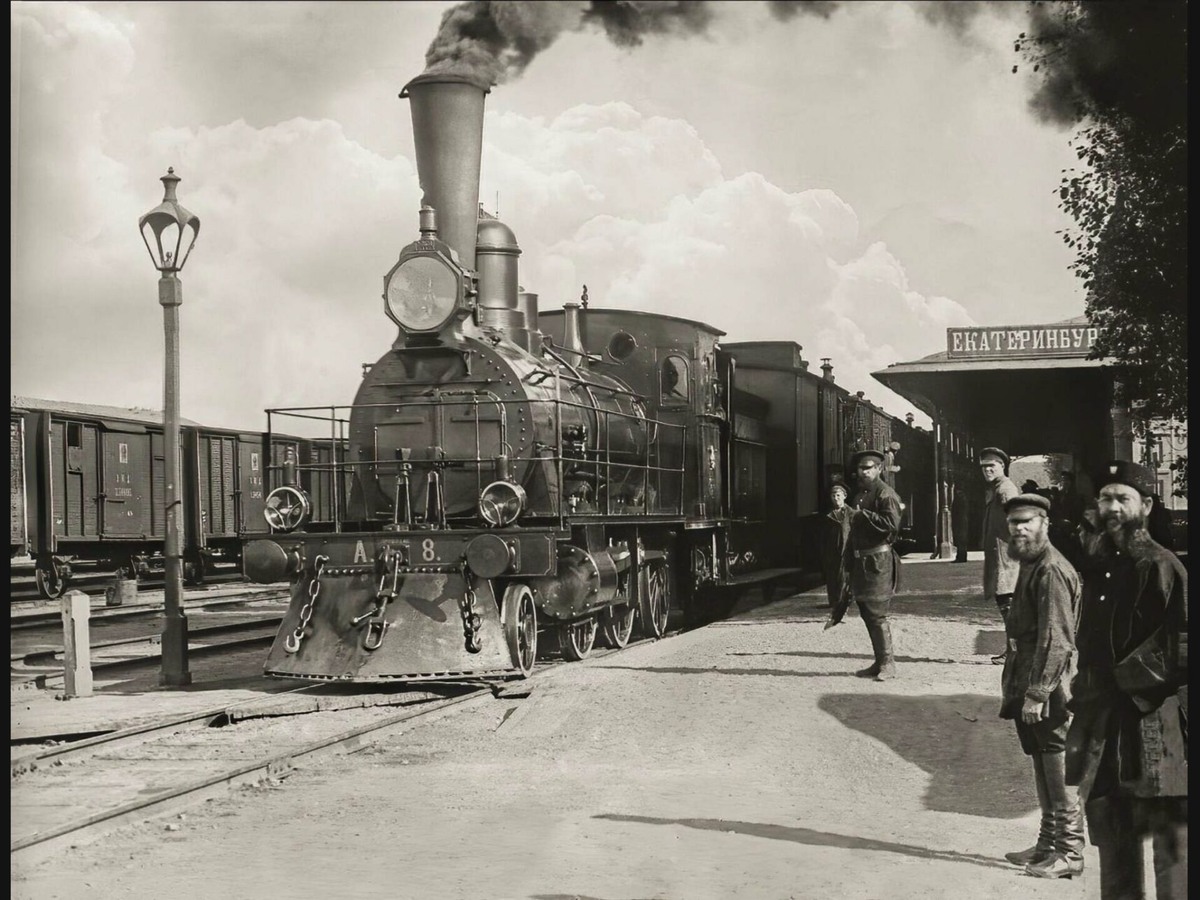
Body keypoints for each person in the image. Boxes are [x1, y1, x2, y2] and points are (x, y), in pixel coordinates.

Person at [1064, 461, 1188, 896]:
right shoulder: (1104, 567)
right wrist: (1085, 689)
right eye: (1105, 498)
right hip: (1106, 722)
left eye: (1123, 498)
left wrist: (1123, 680)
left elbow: (1182, 643)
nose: (1112, 507)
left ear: (1147, 506)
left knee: (1171, 844)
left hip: (1156, 721)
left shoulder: (1161, 566)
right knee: (1113, 832)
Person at [997, 493, 1084, 878]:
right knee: (1042, 760)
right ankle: (1048, 844)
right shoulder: (1032, 563)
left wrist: (1038, 692)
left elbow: (1057, 639)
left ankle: (1070, 853)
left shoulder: (1051, 569)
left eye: (1026, 521)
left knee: (1057, 763)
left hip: (1051, 684)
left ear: (1044, 524)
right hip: (1029, 675)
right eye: (1013, 523)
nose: (1018, 528)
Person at [842, 449, 903, 681]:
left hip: (878, 562)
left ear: (879, 469)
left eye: (868, 468)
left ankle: (888, 664)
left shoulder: (885, 494)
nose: (863, 472)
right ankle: (879, 661)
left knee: (877, 614)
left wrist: (862, 516)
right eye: (860, 468)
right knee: (867, 612)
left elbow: (891, 525)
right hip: (863, 561)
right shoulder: (860, 494)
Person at [980, 447, 1020, 664]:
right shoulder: (996, 488)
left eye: (991, 466)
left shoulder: (1005, 489)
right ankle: (1013, 651)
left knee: (1008, 605)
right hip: (1000, 557)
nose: (987, 470)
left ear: (1002, 466)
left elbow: (1018, 521)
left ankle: (1015, 653)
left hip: (1007, 558)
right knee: (1006, 604)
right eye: (984, 467)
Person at [821, 479, 853, 614]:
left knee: (846, 577)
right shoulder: (828, 516)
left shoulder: (851, 514)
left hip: (847, 550)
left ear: (844, 496)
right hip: (832, 551)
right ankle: (834, 602)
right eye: (833, 496)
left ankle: (844, 602)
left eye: (838, 495)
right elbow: (823, 536)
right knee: (833, 576)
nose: (836, 498)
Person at [951, 482, 969, 563]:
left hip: (960, 521)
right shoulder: (962, 498)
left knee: (961, 539)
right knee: (961, 540)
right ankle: (961, 556)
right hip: (962, 520)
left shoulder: (960, 498)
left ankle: (961, 557)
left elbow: (958, 511)